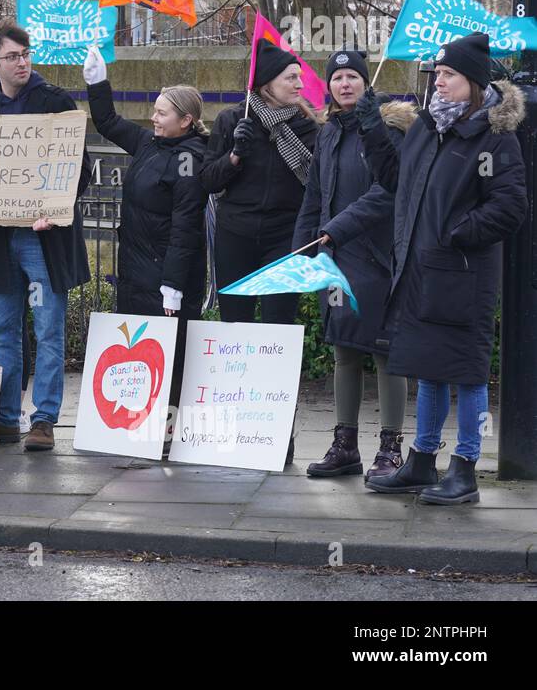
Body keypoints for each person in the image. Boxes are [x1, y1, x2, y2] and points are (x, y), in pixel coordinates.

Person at [360, 33, 527, 505]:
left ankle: (466, 468)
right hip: (421, 272)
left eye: (449, 75)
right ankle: (421, 461)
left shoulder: (495, 136)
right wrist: (372, 129)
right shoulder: (427, 128)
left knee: (467, 373)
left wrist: (455, 231)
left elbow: (511, 206)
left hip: (463, 276)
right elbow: (397, 182)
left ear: (473, 81)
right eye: (437, 74)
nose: (439, 82)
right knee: (427, 368)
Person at [0, 19, 91, 451]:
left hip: (43, 240)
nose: (21, 62)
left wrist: (55, 210)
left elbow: (81, 170)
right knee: (1, 332)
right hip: (0, 241)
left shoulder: (56, 102)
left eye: (26, 54)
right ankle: (5, 418)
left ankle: (43, 420)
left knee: (48, 330)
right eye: (12, 57)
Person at [293, 50, 414, 482]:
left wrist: (337, 229)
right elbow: (315, 195)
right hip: (336, 258)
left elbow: (389, 192)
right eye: (338, 77)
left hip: (380, 258)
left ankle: (390, 449)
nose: (345, 84)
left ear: (367, 83)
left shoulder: (390, 128)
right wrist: (302, 252)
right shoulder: (327, 133)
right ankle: (345, 447)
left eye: (353, 77)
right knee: (344, 350)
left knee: (385, 354)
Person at [83, 47, 207, 428]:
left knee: (168, 352)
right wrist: (97, 82)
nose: (153, 117)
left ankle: (168, 427)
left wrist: (172, 286)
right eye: (154, 110)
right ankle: (136, 423)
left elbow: (186, 227)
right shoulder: (148, 144)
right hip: (135, 270)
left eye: (162, 112)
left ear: (185, 120)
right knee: (136, 352)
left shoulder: (190, 158)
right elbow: (106, 121)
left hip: (165, 274)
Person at [200, 41, 319, 325]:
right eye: (291, 77)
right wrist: (234, 156)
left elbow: (318, 185)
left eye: (299, 77)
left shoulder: (307, 126)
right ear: (267, 83)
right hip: (235, 235)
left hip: (285, 237)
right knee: (235, 321)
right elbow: (208, 181)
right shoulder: (232, 120)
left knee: (278, 322)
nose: (300, 85)